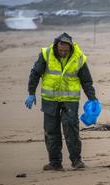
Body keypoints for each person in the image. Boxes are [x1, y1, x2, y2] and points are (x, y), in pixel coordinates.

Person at [25, 33, 97, 171]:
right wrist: (31, 93)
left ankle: (76, 161)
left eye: (66, 50)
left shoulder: (79, 57)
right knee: (51, 131)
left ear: (70, 48)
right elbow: (35, 73)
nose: (63, 53)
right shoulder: (46, 54)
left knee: (71, 129)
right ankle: (55, 163)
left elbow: (86, 80)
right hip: (50, 99)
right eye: (61, 50)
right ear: (56, 46)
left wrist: (92, 97)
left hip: (70, 100)